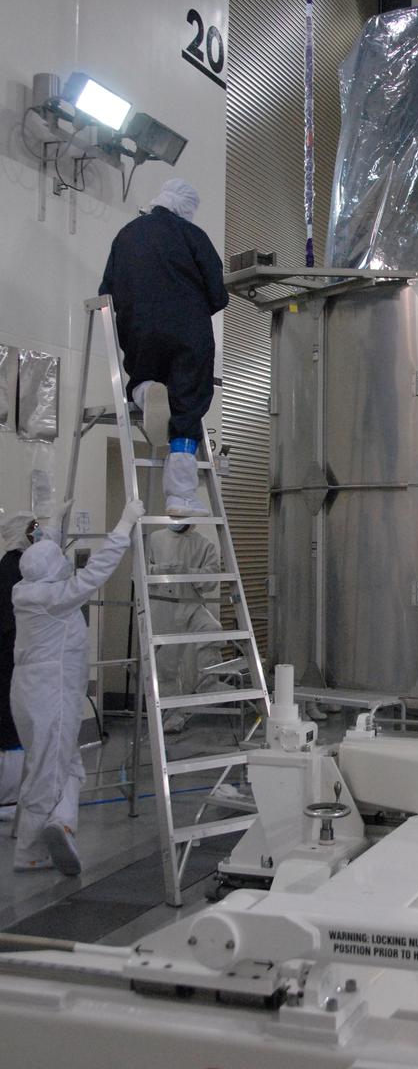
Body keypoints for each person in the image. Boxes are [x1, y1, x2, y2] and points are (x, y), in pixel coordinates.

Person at [10, 499, 145, 874]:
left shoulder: (25, 590)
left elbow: (43, 558)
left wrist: (56, 522)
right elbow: (99, 570)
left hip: (28, 692)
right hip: (51, 694)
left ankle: (62, 825)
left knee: (65, 762)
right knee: (47, 771)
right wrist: (124, 524)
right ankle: (30, 850)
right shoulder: (57, 597)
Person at [98, 178, 229, 519]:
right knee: (187, 405)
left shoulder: (125, 235)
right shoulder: (193, 236)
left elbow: (105, 294)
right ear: (185, 209)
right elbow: (219, 294)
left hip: (138, 329)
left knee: (143, 373)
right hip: (188, 332)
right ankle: (181, 495)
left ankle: (144, 392)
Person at [148, 522, 226, 732]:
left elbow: (212, 579)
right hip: (162, 606)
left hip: (191, 603)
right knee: (167, 665)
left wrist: (189, 573)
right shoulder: (155, 538)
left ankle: (209, 684)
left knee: (212, 629)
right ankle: (170, 717)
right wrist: (159, 571)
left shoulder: (203, 544)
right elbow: (139, 571)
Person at [0, 513, 36, 811]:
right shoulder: (13, 572)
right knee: (11, 724)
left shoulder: (16, 570)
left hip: (17, 660)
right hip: (12, 660)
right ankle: (9, 798)